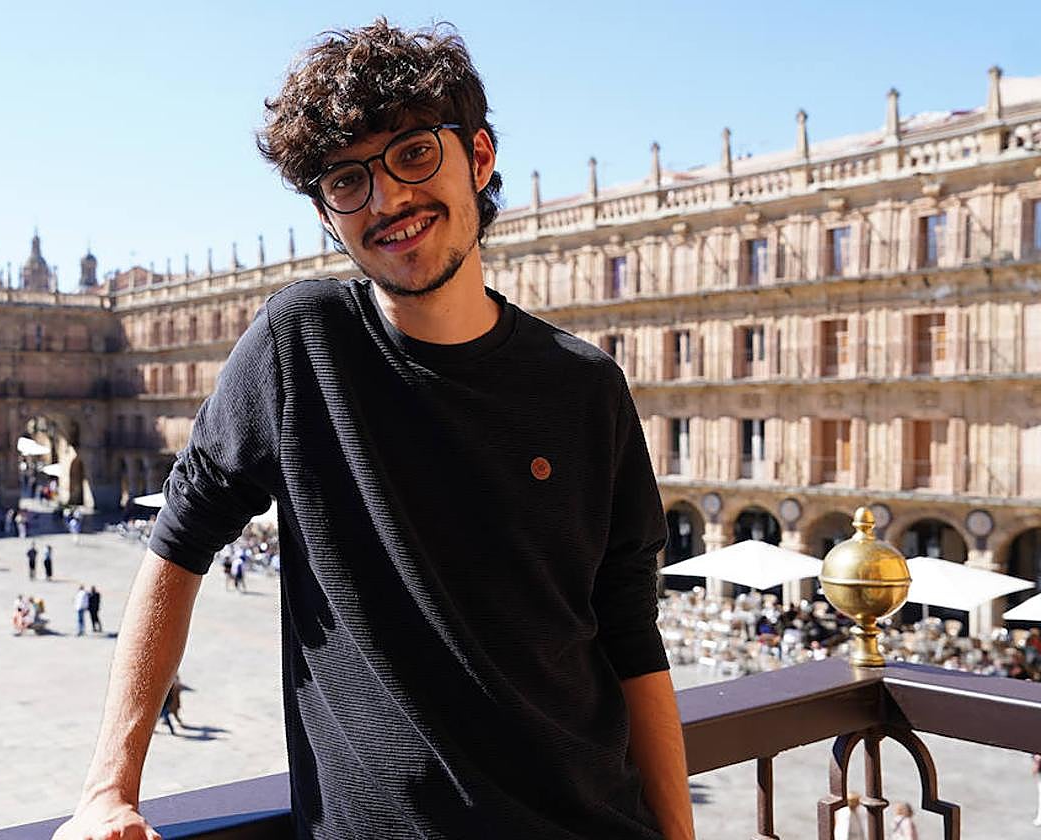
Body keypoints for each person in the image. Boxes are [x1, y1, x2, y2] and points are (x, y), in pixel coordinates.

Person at [55, 20, 693, 840]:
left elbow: (631, 637)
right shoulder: (301, 341)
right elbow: (178, 545)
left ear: (481, 158)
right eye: (348, 181)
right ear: (329, 217)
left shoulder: (587, 387)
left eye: (414, 154)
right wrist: (108, 786)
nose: (388, 198)